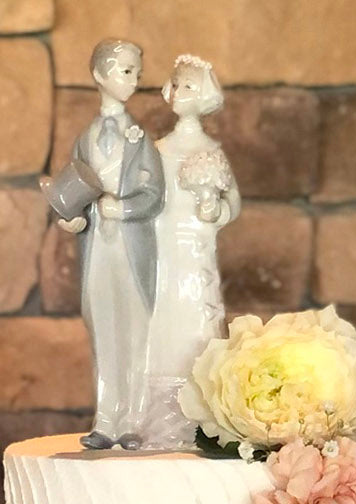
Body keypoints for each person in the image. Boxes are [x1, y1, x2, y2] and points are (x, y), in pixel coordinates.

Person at [45, 39, 166, 450]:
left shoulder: (140, 139)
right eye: (126, 71)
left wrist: (123, 209)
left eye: (137, 72)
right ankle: (106, 418)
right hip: (98, 251)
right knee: (104, 332)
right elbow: (74, 190)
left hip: (131, 252)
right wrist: (75, 219)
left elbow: (154, 195)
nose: (134, 79)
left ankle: (133, 419)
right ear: (100, 75)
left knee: (135, 332)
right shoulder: (86, 139)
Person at [143, 54, 240, 449]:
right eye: (177, 83)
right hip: (163, 250)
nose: (180, 91)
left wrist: (215, 210)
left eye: (189, 86)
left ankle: (199, 416)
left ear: (204, 96)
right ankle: (154, 421)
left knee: (196, 322)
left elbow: (233, 203)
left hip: (196, 251)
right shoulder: (156, 150)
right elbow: (145, 199)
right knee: (161, 323)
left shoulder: (212, 151)